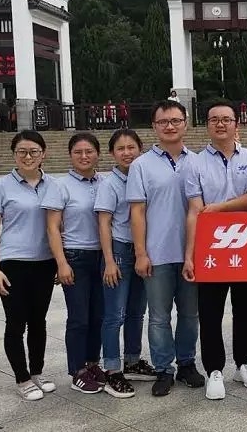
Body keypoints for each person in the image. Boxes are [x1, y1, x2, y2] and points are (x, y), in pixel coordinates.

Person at [183, 101, 247, 400]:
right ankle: (214, 370)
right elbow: (195, 210)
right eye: (214, 119)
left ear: (236, 124)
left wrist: (218, 208)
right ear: (206, 125)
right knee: (210, 311)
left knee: (246, 309)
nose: (220, 124)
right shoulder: (194, 163)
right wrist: (189, 255)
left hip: (246, 244)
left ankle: (243, 364)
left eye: (226, 119)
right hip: (211, 248)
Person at [126, 100, 204, 396]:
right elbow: (137, 212)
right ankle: (163, 369)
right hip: (157, 254)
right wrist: (141, 253)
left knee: (190, 314)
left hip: (191, 254)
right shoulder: (141, 165)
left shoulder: (197, 161)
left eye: (175, 121)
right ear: (154, 127)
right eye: (163, 122)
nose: (169, 126)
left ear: (185, 123)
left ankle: (186, 363)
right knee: (159, 317)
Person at [0, 131, 58, 401]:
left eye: (34, 151)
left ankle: (36, 372)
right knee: (16, 322)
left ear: (43, 154)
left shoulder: (53, 185)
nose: (28, 157)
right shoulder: (0, 187)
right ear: (14, 155)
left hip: (44, 263)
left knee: (38, 321)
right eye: (22, 151)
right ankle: (22, 378)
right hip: (13, 263)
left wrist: (60, 261)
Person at [43, 133, 106, 394]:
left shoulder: (105, 182)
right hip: (75, 257)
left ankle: (92, 363)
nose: (84, 156)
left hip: (102, 258)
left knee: (99, 316)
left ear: (98, 154)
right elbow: (52, 227)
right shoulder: (60, 186)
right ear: (70, 155)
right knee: (79, 317)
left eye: (89, 151)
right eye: (78, 152)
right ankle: (77, 370)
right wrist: (61, 263)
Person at [96, 129, 155, 399]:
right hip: (119, 250)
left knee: (136, 312)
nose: (127, 153)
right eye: (120, 148)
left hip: (142, 250)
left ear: (140, 149)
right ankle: (111, 369)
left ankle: (132, 361)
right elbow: (104, 223)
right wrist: (109, 261)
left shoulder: (143, 177)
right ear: (112, 153)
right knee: (114, 315)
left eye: (132, 147)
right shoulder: (110, 184)